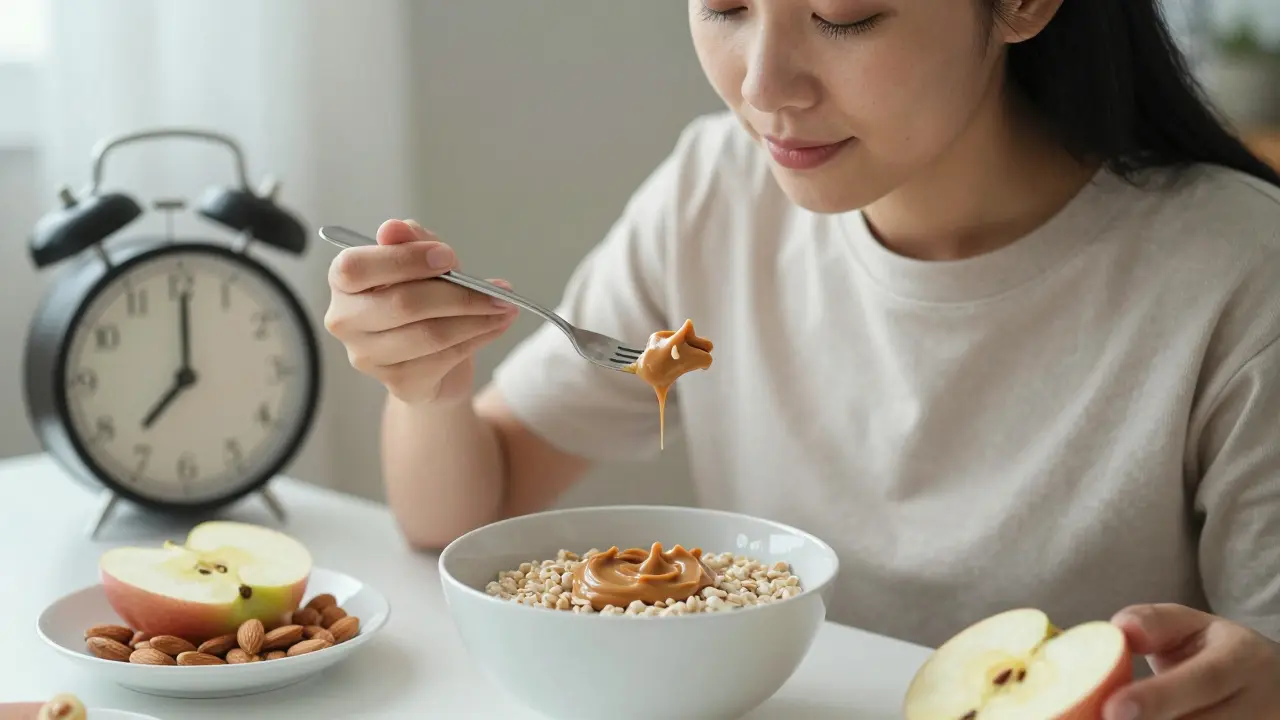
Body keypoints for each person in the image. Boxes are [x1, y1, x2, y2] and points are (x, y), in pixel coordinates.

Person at [324, 1, 1280, 717]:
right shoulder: (714, 192)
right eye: (726, 7)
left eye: (843, 16)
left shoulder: (1239, 274)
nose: (763, 86)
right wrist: (429, 387)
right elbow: (464, 509)